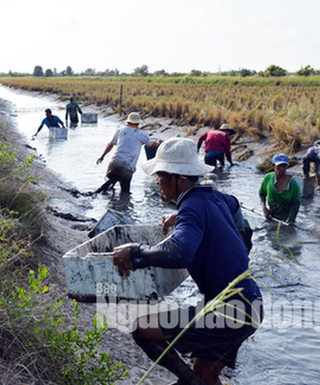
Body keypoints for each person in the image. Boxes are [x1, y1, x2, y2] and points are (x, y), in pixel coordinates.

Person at [112, 138, 262, 385]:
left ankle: (190, 384)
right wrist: (179, 215)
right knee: (204, 369)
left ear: (180, 177)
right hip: (252, 304)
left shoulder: (192, 205)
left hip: (230, 310)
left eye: (161, 175)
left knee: (143, 329)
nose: (157, 181)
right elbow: (236, 208)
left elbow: (179, 252)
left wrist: (135, 252)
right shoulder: (214, 196)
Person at [95, 112, 155, 194]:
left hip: (115, 163)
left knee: (111, 182)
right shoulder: (142, 134)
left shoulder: (120, 130)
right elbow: (151, 145)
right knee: (125, 192)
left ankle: (105, 195)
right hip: (128, 167)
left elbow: (110, 144)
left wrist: (102, 156)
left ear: (127, 122)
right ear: (138, 123)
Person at [259, 153, 300, 224]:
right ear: (273, 166)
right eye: (279, 166)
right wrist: (264, 208)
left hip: (286, 218)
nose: (282, 169)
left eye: (284, 166)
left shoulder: (293, 184)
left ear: (287, 166)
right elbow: (261, 193)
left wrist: (290, 219)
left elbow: (296, 204)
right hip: (272, 216)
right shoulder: (268, 178)